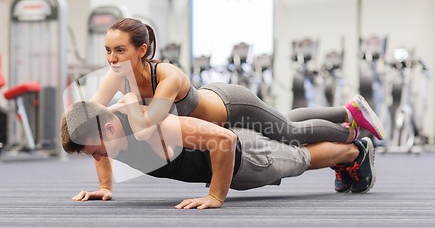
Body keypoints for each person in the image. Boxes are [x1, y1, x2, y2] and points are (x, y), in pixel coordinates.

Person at [89, 17, 384, 190]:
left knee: (290, 132)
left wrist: (126, 102)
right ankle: (347, 112)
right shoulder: (117, 77)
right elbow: (91, 122)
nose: (112, 58)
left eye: (119, 50)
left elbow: (147, 124)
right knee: (284, 120)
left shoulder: (166, 75)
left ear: (141, 50)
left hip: (232, 106)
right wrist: (105, 187)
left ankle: (353, 131)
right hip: (217, 121)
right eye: (107, 51)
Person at [61, 101, 376, 210]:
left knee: (300, 159)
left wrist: (216, 195)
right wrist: (105, 187)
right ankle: (344, 122)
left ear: (111, 130)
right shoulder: (111, 126)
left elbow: (223, 141)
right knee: (287, 128)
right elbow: (100, 153)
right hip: (234, 149)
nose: (99, 157)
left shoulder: (156, 128)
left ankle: (354, 151)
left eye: (98, 150)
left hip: (244, 159)